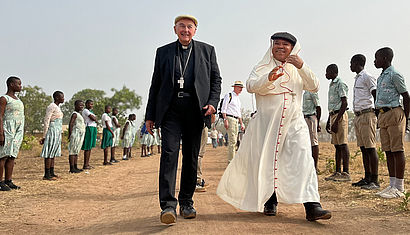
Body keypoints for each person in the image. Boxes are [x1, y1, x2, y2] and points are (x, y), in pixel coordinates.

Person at [217, 32, 331, 221]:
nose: (280, 47)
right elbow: (252, 85)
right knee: (268, 162)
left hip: (294, 122)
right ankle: (271, 201)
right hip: (267, 124)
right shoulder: (262, 67)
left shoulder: (298, 68)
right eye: (276, 43)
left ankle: (312, 206)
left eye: (285, 44)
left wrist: (301, 66)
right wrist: (269, 78)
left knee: (304, 160)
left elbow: (314, 86)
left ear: (292, 48)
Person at [145, 15, 221, 224]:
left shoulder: (207, 50)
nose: (185, 30)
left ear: (195, 30)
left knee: (191, 156)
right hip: (170, 110)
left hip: (196, 110)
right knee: (169, 153)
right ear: (175, 29)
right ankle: (168, 206)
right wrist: (150, 115)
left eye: (189, 27)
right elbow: (156, 84)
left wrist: (213, 103)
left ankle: (186, 202)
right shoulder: (163, 52)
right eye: (181, 27)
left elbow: (216, 79)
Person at [373, 47, 409, 199]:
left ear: (386, 58)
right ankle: (392, 184)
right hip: (383, 115)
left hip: (395, 113)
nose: (375, 61)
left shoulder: (395, 75)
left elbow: (406, 97)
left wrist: (406, 119)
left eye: (377, 58)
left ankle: (399, 187)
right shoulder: (381, 76)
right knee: (388, 150)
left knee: (397, 150)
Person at [349, 54, 379, 190]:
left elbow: (375, 94)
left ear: (357, 63)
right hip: (358, 116)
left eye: (351, 63)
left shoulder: (367, 77)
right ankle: (367, 178)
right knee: (363, 148)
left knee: (370, 148)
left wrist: (377, 115)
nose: (350, 66)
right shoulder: (357, 79)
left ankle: (375, 180)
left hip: (368, 114)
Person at [325, 64, 351, 182]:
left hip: (340, 116)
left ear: (333, 72)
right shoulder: (331, 85)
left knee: (343, 144)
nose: (325, 74)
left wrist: (336, 121)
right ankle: (337, 171)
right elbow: (333, 105)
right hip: (333, 115)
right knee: (336, 145)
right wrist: (329, 121)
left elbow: (344, 103)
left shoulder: (340, 83)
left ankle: (346, 172)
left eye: (327, 72)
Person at [0, 76, 24, 190]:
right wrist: (1, 133)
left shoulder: (18, 100)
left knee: (12, 156)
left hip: (18, 130)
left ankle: (8, 180)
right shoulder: (4, 99)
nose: (20, 86)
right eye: (18, 84)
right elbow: (0, 116)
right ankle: (0, 183)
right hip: (7, 129)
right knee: (3, 156)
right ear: (11, 84)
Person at [40, 91, 64, 180]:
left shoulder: (58, 107)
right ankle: (46, 175)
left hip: (57, 132)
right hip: (52, 131)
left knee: (53, 152)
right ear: (57, 98)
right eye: (62, 97)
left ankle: (52, 172)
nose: (63, 99)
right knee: (49, 152)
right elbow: (46, 120)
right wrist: (44, 135)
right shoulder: (51, 106)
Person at [221, 81, 245, 163]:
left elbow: (239, 113)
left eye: (241, 88)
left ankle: (233, 160)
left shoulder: (238, 99)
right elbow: (223, 109)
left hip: (236, 120)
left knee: (235, 141)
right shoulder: (229, 96)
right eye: (239, 87)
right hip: (230, 118)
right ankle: (231, 161)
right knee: (232, 141)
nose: (241, 89)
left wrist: (241, 123)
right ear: (235, 87)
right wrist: (225, 120)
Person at [302, 90, 321, 170]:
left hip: (311, 117)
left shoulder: (313, 92)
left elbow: (318, 107)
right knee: (307, 142)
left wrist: (318, 123)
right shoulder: (305, 93)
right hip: (305, 117)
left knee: (314, 142)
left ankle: (315, 167)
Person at [68, 100, 86, 173]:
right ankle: (72, 168)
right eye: (80, 105)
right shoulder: (74, 114)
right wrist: (70, 134)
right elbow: (71, 124)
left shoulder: (79, 114)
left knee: (76, 151)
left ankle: (75, 166)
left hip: (79, 134)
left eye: (82, 105)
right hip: (75, 134)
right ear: (75, 106)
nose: (81, 107)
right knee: (72, 151)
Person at [81, 100, 98, 169]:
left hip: (93, 128)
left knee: (90, 147)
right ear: (86, 104)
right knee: (87, 146)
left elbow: (95, 118)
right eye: (90, 104)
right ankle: (85, 164)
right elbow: (93, 118)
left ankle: (87, 164)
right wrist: (95, 119)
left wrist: (95, 119)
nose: (91, 105)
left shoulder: (91, 112)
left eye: (92, 104)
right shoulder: (85, 110)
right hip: (89, 128)